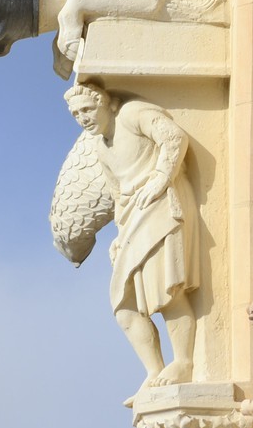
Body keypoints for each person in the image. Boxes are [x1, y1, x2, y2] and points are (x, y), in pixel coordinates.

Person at [64, 81, 199, 390]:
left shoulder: (131, 113)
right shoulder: (101, 147)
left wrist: (162, 177)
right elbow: (118, 195)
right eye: (76, 114)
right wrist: (119, 234)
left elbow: (174, 136)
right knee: (124, 305)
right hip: (133, 217)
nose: (82, 118)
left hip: (160, 204)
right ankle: (154, 370)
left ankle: (183, 362)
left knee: (167, 290)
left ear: (104, 103)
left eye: (87, 109)